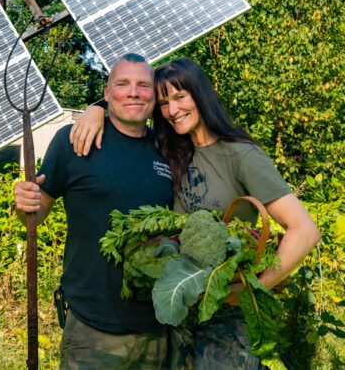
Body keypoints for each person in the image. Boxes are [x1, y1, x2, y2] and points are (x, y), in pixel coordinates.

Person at [70, 57, 321, 369]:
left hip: (225, 321)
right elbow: (130, 112)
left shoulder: (240, 155)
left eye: (180, 97)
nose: (172, 110)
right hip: (177, 317)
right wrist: (96, 108)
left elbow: (304, 230)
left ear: (200, 94)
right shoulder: (170, 150)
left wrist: (254, 287)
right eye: (164, 102)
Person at [13, 53, 174, 369]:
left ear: (154, 96)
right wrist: (24, 204)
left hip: (159, 327)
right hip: (92, 330)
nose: (133, 92)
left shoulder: (169, 148)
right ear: (106, 92)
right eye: (122, 83)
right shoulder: (72, 142)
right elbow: (37, 212)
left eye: (143, 85)